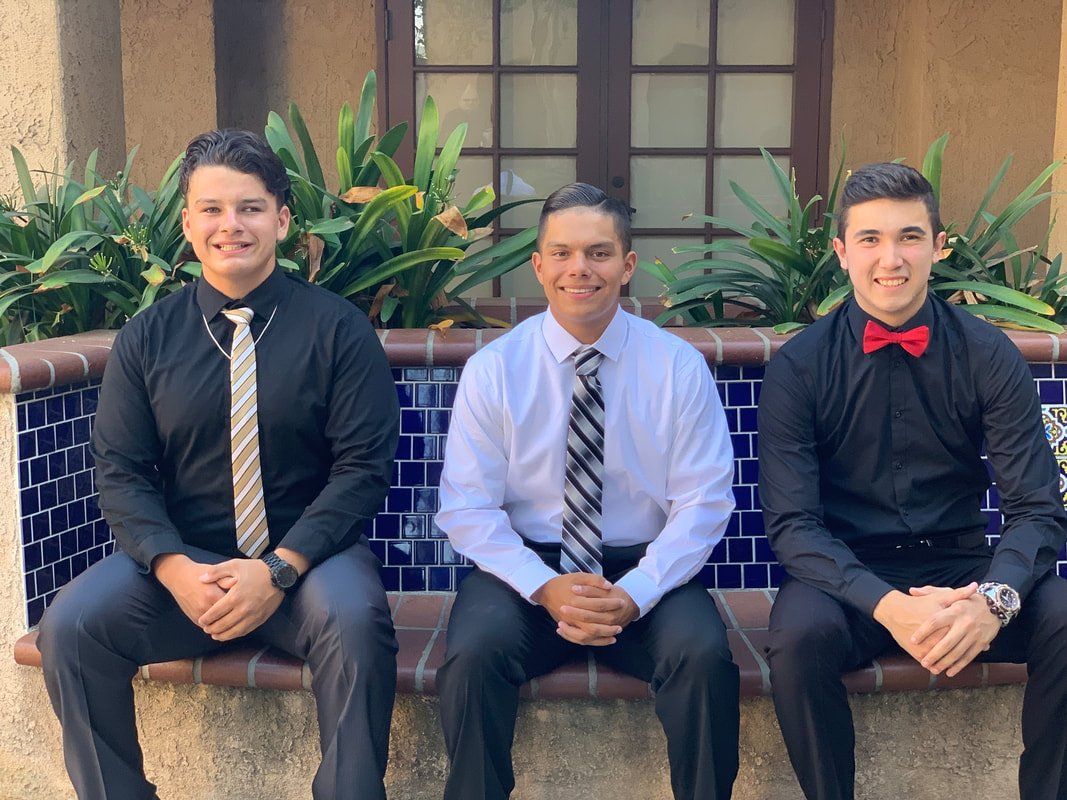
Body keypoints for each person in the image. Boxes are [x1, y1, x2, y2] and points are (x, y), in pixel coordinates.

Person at [36, 129, 400, 800]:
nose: (230, 225)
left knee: (355, 625)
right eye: (211, 209)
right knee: (73, 628)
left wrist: (277, 570)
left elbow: (363, 470)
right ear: (187, 223)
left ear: (283, 221)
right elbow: (119, 471)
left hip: (308, 564)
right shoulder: (149, 337)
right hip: (187, 570)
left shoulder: (337, 329)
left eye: (250, 208)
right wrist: (174, 569)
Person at [758, 161, 1067, 800]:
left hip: (963, 566)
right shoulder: (799, 368)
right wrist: (891, 607)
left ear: (938, 247)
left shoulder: (989, 354)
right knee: (797, 637)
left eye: (909, 237)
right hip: (850, 577)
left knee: (1066, 616)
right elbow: (793, 528)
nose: (890, 258)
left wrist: (992, 601)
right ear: (841, 252)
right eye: (870, 239)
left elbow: (1037, 507)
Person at [435, 182, 740, 800]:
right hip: (527, 572)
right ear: (539, 265)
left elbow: (703, 503)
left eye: (599, 253)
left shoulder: (678, 368)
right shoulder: (494, 369)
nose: (581, 269)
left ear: (627, 267)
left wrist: (634, 594)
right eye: (564, 253)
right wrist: (545, 586)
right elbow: (467, 507)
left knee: (704, 659)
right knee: (471, 658)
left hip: (644, 568)